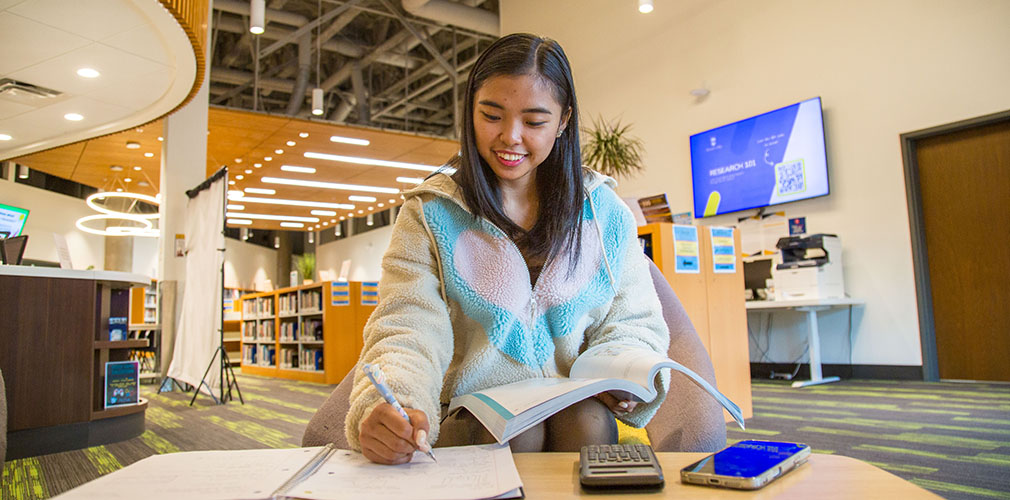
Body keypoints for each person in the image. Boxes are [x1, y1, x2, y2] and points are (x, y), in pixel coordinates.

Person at [345, 33, 670, 465]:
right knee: (520, 430)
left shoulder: (604, 212)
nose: (510, 137)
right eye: (491, 115)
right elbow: (408, 324)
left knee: (585, 419)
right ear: (470, 111)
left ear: (564, 120)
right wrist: (397, 401)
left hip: (580, 409)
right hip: (473, 413)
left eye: (534, 122)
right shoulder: (429, 212)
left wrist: (625, 373)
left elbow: (634, 319)